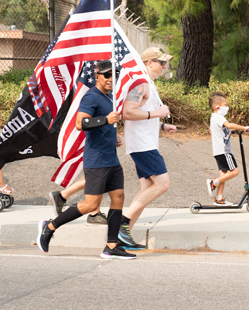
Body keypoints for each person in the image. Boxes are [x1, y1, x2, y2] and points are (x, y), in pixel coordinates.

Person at [36, 59, 134, 259]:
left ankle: (111, 246)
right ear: (97, 76)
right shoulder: (92, 96)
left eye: (113, 75)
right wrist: (105, 120)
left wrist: (111, 135)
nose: (110, 79)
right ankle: (50, 226)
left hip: (111, 158)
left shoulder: (109, 98)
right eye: (106, 75)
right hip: (97, 159)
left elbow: (101, 125)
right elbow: (80, 124)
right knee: (90, 205)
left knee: (119, 198)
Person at [117, 47, 177, 250]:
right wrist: (157, 113)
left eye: (165, 62)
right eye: (161, 62)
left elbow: (143, 115)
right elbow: (128, 113)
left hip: (145, 142)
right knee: (163, 184)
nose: (164, 66)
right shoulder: (141, 84)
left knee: (146, 189)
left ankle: (123, 236)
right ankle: (121, 223)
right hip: (142, 145)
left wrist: (162, 125)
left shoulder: (149, 84)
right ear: (149, 63)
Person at [207, 92, 249, 205]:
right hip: (224, 151)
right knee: (235, 172)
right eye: (225, 104)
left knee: (224, 174)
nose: (227, 107)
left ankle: (219, 198)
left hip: (218, 151)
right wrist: (244, 128)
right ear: (218, 107)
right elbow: (229, 125)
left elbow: (214, 131)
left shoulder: (214, 118)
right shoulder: (218, 117)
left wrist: (231, 132)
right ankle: (213, 182)